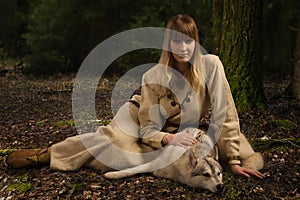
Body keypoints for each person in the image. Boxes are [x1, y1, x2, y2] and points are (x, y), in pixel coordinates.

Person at [5, 14, 264, 179]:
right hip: (140, 116)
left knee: (235, 147)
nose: (183, 47)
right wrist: (167, 137)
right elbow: (148, 127)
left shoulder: (211, 65)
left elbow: (224, 112)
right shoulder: (153, 75)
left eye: (189, 41)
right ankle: (48, 154)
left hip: (181, 129)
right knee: (108, 139)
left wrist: (233, 160)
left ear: (196, 42)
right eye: (177, 41)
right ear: (168, 45)